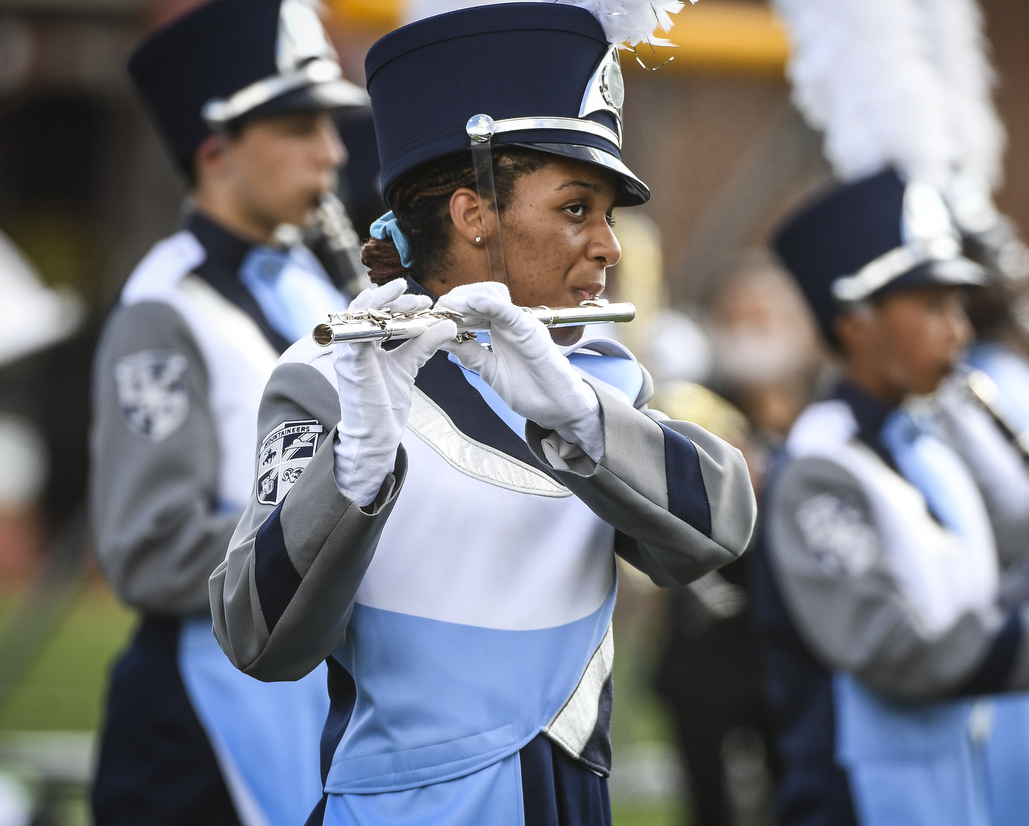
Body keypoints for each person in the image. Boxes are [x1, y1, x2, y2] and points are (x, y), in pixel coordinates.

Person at [207, 3, 757, 825]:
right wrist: (355, 468)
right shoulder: (327, 376)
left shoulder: (600, 380)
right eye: (577, 208)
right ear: (472, 216)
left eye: (609, 214)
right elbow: (257, 637)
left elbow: (717, 533)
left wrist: (576, 413)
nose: (608, 245)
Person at [750, 169, 1029, 826]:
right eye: (933, 306)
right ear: (856, 323)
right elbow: (900, 650)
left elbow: (968, 613)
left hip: (951, 789)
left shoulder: (927, 449)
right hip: (855, 801)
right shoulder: (819, 468)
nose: (960, 332)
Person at [88, 1, 368, 823]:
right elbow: (150, 550)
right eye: (300, 127)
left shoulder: (316, 285)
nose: (333, 153)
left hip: (308, 682)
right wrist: (340, 534)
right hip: (197, 726)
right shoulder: (164, 310)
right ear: (216, 149)